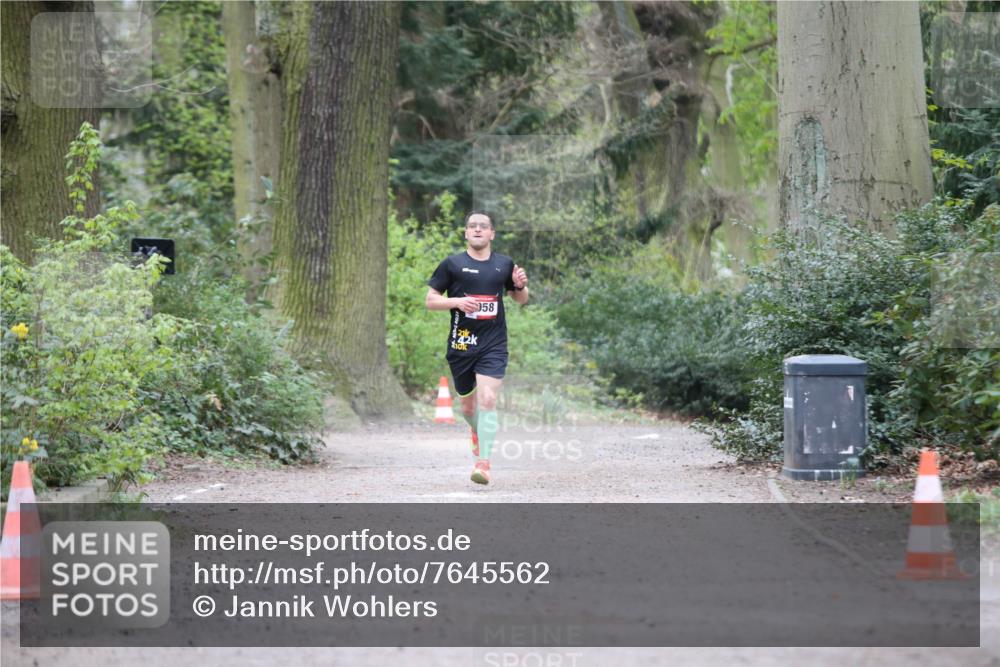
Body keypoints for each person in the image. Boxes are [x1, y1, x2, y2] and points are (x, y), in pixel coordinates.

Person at [425, 211, 529, 484]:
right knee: (469, 410)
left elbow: (520, 299)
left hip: (493, 345)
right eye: (473, 226)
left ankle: (483, 464)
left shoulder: (504, 264)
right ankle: (476, 431)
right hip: (461, 345)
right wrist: (456, 302)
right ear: (466, 233)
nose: (478, 230)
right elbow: (430, 300)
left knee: (488, 400)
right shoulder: (452, 264)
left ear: (492, 233)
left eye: (483, 226)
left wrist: (520, 287)